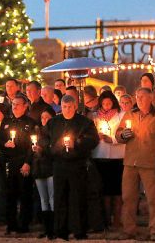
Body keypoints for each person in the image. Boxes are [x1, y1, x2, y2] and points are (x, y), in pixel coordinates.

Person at [116, 87, 155, 241]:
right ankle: (129, 230)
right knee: (128, 198)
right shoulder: (130, 114)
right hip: (130, 163)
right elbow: (118, 133)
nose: (139, 99)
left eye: (142, 96)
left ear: (150, 98)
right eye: (137, 96)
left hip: (150, 164)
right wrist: (122, 135)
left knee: (153, 199)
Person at [39, 94, 99, 240]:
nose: (66, 110)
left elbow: (93, 139)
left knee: (77, 198)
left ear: (75, 107)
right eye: (64, 107)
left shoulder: (84, 122)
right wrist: (52, 148)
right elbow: (44, 140)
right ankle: (61, 230)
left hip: (77, 165)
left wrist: (77, 144)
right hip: (59, 165)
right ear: (61, 107)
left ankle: (79, 230)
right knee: (60, 197)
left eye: (69, 107)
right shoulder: (53, 122)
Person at [0, 94, 37, 234]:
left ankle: (24, 225)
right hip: (9, 162)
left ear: (25, 106)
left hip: (23, 161)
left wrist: (27, 163)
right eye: (13, 104)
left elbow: (33, 145)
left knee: (25, 194)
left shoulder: (31, 123)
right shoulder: (7, 121)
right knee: (10, 195)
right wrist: (5, 144)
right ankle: (10, 224)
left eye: (18, 104)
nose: (15, 107)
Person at [91, 90, 126, 230]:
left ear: (113, 103)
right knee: (104, 191)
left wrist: (111, 139)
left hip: (117, 157)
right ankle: (105, 221)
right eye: (104, 103)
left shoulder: (121, 115)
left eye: (109, 103)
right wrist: (97, 137)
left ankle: (117, 221)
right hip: (100, 156)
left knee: (117, 191)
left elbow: (124, 134)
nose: (106, 106)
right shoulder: (95, 117)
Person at [32, 108, 56, 238]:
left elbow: (56, 151)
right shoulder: (37, 133)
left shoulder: (55, 133)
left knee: (52, 198)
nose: (44, 120)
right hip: (39, 169)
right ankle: (46, 228)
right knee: (43, 199)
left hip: (51, 168)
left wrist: (43, 151)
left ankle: (54, 228)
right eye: (42, 118)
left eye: (47, 117)